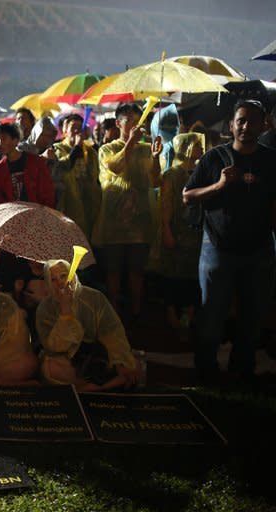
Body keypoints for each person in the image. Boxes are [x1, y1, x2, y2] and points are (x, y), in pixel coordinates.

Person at [183, 99, 276, 386]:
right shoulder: (214, 157)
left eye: (252, 121)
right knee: (212, 314)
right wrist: (219, 186)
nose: (246, 127)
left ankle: (242, 369)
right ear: (231, 124)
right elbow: (187, 195)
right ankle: (206, 370)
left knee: (252, 315)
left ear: (264, 125)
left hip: (259, 250)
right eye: (241, 121)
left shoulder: (271, 160)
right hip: (218, 248)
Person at [92, 103, 163, 320]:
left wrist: (157, 158)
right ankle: (113, 312)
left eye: (138, 121)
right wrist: (131, 141)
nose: (135, 126)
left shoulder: (145, 149)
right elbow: (115, 167)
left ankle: (137, 310)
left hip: (140, 223)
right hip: (113, 222)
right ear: (118, 123)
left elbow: (155, 180)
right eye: (130, 120)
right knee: (113, 271)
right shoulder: (107, 149)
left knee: (136, 271)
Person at [36, 259, 142, 391]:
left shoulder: (94, 297)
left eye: (63, 276)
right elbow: (54, 348)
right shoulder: (45, 308)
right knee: (50, 368)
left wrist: (119, 359)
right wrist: (65, 313)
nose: (60, 283)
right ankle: (98, 386)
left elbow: (112, 332)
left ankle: (86, 387)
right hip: (68, 360)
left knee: (131, 365)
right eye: (53, 280)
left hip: (98, 355)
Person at [158, 133, 205, 329]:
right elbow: (165, 205)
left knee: (194, 275)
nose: (201, 149)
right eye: (196, 145)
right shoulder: (172, 174)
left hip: (196, 234)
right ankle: (172, 313)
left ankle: (189, 313)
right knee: (173, 274)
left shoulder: (202, 172)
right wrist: (167, 230)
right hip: (177, 230)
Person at [51, 114, 102, 239]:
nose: (77, 131)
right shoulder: (57, 148)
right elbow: (62, 167)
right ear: (64, 130)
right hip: (67, 203)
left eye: (80, 127)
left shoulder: (91, 152)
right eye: (73, 127)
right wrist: (77, 147)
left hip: (88, 205)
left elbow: (95, 177)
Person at [0, 123, 55, 208]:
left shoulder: (35, 162)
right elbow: (0, 197)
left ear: (15, 140)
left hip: (37, 211)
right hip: (13, 212)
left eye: (3, 139)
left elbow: (47, 190)